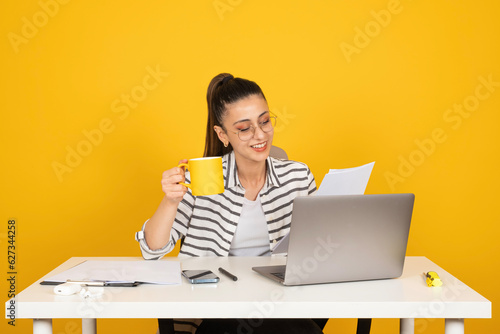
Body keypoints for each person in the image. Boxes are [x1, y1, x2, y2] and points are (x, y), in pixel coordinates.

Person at [135, 73, 324, 333]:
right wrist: (170, 201)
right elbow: (152, 250)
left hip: (280, 301)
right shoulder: (199, 181)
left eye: (265, 121)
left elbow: (317, 244)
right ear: (223, 134)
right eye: (244, 128)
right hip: (214, 307)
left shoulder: (297, 176)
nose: (260, 135)